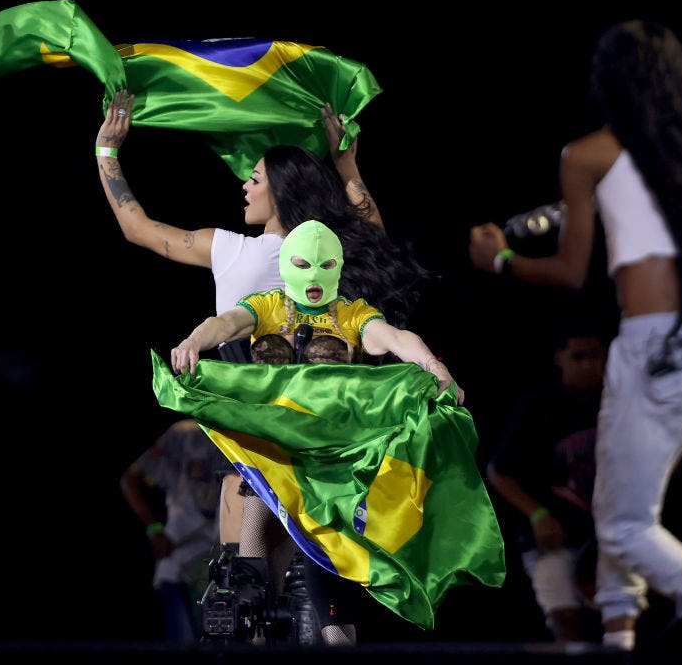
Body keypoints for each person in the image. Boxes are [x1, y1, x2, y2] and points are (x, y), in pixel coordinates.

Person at [468, 20, 682, 651]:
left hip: (655, 342)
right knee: (616, 496)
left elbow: (567, 271)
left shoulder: (587, 156)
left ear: (607, 83)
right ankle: (618, 630)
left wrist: (498, 259)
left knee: (625, 525)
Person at [95, 88, 433, 643]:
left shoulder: (246, 251)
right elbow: (372, 231)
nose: (244, 185)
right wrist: (346, 162)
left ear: (282, 189)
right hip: (304, 451)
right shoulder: (322, 253)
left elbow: (140, 228)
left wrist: (107, 153)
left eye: (254, 178)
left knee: (258, 600)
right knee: (292, 598)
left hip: (269, 447)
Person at [169, 219, 465, 645]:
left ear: (338, 266)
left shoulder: (350, 314)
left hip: (327, 468)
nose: (313, 275)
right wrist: (194, 341)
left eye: (324, 264)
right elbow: (227, 323)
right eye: (304, 264)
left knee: (324, 580)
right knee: (251, 584)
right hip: (270, 460)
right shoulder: (267, 306)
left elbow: (396, 338)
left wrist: (434, 366)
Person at [486, 313, 607, 645]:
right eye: (577, 357)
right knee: (565, 620)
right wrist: (538, 515)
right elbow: (499, 471)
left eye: (594, 356)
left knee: (621, 619)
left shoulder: (617, 402)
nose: (587, 365)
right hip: (557, 538)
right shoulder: (541, 407)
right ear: (560, 359)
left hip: (609, 536)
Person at [120, 417, 233, 643]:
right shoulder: (180, 433)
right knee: (185, 648)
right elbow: (129, 478)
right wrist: (154, 529)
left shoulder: (233, 429)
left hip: (223, 564)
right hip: (180, 564)